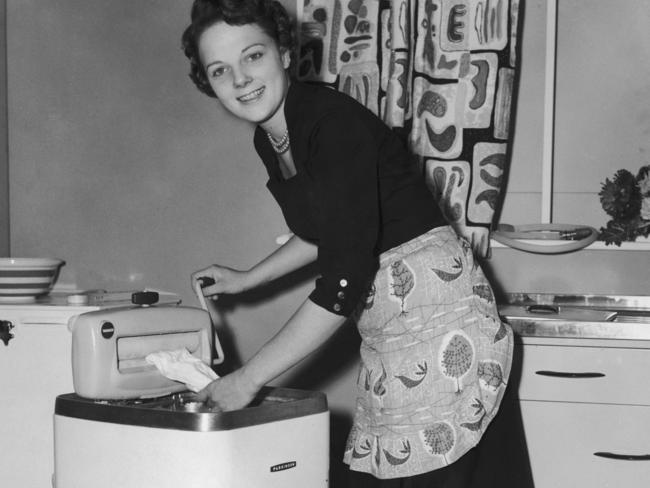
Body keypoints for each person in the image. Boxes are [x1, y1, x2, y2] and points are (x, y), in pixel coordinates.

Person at [182, 1, 514, 486]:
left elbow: (342, 276)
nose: (240, 79)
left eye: (252, 56)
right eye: (220, 70)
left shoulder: (331, 125)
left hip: (442, 323)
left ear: (285, 53)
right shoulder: (273, 137)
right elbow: (327, 229)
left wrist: (248, 379)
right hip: (390, 330)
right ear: (208, 84)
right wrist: (248, 277)